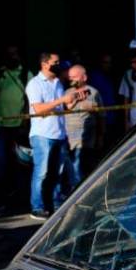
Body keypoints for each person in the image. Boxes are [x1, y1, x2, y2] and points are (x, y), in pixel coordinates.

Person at [26, 52, 83, 219]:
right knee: (41, 172)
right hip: (42, 134)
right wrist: (62, 100)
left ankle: (55, 203)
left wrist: (73, 101)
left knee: (57, 172)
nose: (58, 65)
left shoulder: (58, 82)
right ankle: (37, 207)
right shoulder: (35, 84)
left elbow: (62, 108)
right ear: (44, 64)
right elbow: (38, 109)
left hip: (59, 133)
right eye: (55, 62)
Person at [0, 46, 32, 212]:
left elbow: (30, 99)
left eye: (15, 54)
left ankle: (21, 200)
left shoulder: (26, 74)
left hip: (18, 127)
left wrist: (26, 120)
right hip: (0, 126)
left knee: (20, 164)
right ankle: (2, 200)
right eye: (9, 54)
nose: (12, 57)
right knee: (1, 164)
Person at [64, 64, 100, 187]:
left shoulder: (93, 92)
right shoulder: (67, 93)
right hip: (69, 137)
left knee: (85, 165)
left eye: (75, 77)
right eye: (70, 77)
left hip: (88, 137)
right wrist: (73, 101)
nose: (71, 79)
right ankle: (75, 190)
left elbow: (102, 115)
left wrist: (100, 136)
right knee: (73, 165)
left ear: (84, 77)